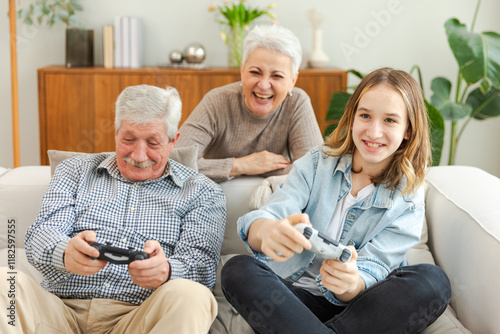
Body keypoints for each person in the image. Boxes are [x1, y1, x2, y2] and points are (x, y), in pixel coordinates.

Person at [221, 67, 451, 334]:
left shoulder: (408, 196)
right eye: (365, 116)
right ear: (352, 118)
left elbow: (377, 265)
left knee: (434, 282)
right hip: (291, 302)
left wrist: (351, 284)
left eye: (390, 120)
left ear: (408, 130)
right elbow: (271, 215)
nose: (374, 132)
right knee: (237, 269)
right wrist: (266, 231)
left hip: (361, 308)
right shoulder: (317, 163)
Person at [2, 85, 226, 334]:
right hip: (60, 312)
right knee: (4, 283)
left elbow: (203, 267)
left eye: (153, 143)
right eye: (128, 140)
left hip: (139, 318)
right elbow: (42, 232)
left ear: (173, 141)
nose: (139, 155)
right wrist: (65, 253)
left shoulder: (203, 192)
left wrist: (167, 270)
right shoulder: (74, 171)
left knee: (192, 295)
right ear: (116, 133)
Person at [176, 25, 323, 182]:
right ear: (242, 71)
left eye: (277, 76)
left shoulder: (297, 103)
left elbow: (315, 170)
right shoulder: (217, 100)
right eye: (255, 72)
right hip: (215, 193)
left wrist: (268, 172)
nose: (264, 85)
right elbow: (175, 161)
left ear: (292, 81)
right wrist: (241, 165)